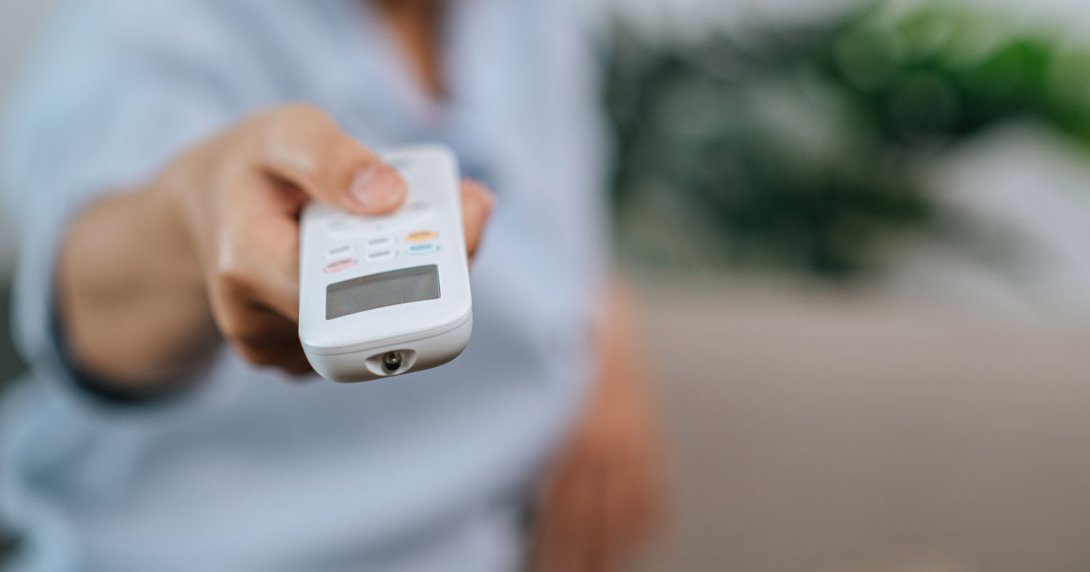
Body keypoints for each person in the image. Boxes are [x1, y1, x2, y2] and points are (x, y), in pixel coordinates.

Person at [0, 0, 665, 570]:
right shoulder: (150, 24)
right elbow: (92, 295)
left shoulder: (531, 18)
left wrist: (599, 322)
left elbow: (557, 206)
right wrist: (193, 212)